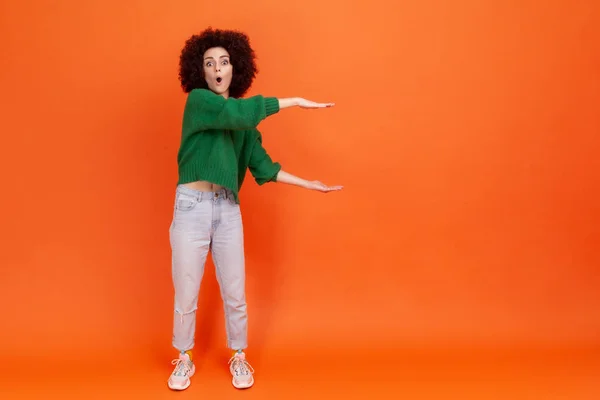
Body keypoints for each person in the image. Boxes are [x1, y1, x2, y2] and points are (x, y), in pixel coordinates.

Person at [167, 27, 342, 391]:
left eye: (225, 62)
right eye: (210, 63)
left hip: (227, 208)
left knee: (235, 291)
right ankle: (183, 358)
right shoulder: (199, 101)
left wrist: (309, 184)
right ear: (200, 71)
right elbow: (239, 114)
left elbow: (264, 167)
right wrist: (292, 101)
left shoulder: (244, 123)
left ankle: (238, 356)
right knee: (186, 291)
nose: (218, 68)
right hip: (192, 207)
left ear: (235, 68)